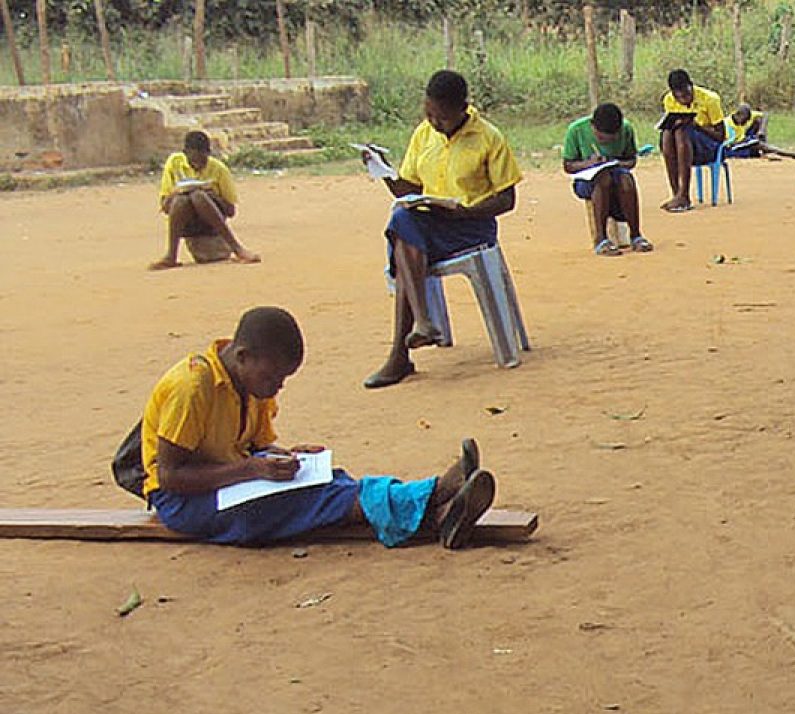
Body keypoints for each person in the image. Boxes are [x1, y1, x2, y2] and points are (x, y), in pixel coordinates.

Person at [140, 306, 497, 549]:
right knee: (304, 502)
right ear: (242, 356)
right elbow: (171, 476)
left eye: (283, 380)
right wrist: (251, 468)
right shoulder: (193, 386)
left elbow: (251, 449)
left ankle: (437, 512)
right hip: (182, 501)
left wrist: (284, 456)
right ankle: (432, 495)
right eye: (271, 377)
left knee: (333, 481)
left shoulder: (250, 383)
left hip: (226, 482)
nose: (276, 388)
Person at [362, 69, 521, 389]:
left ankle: (402, 351)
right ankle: (418, 326)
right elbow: (408, 188)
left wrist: (466, 211)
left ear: (464, 108)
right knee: (403, 222)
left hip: (471, 228)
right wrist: (382, 171)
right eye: (429, 114)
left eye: (443, 118)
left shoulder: (489, 138)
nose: (435, 122)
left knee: (403, 235)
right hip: (429, 225)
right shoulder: (424, 134)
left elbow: (507, 199)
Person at [150, 130, 259, 270]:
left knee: (198, 196)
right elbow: (165, 206)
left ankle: (237, 248)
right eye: (193, 161)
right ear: (185, 153)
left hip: (211, 223)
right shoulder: (174, 163)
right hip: (187, 221)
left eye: (202, 161)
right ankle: (171, 255)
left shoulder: (219, 169)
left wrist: (211, 195)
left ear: (208, 154)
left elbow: (231, 211)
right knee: (181, 200)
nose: (197, 165)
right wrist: (177, 192)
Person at [562, 102, 651, 256]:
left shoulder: (626, 129)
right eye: (601, 138)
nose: (605, 142)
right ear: (592, 126)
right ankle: (601, 239)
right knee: (603, 180)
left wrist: (614, 162)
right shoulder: (576, 130)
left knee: (627, 180)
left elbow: (631, 160)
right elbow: (568, 166)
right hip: (587, 180)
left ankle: (636, 235)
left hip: (616, 173)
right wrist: (589, 163)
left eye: (611, 139)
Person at [659, 69, 727, 212]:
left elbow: (720, 136)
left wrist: (697, 126)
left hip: (708, 147)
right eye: (679, 98)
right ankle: (676, 193)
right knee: (667, 133)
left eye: (687, 95)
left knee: (681, 132)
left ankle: (684, 195)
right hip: (680, 148)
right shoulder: (668, 100)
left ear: (691, 86)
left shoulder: (710, 99)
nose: (684, 100)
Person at [724, 103, 795, 159]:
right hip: (732, 148)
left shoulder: (740, 119)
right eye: (744, 120)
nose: (746, 123)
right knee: (758, 145)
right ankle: (791, 154)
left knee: (758, 121)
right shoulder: (727, 124)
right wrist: (745, 142)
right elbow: (727, 144)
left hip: (742, 140)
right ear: (739, 115)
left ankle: (762, 149)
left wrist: (761, 131)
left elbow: (765, 115)